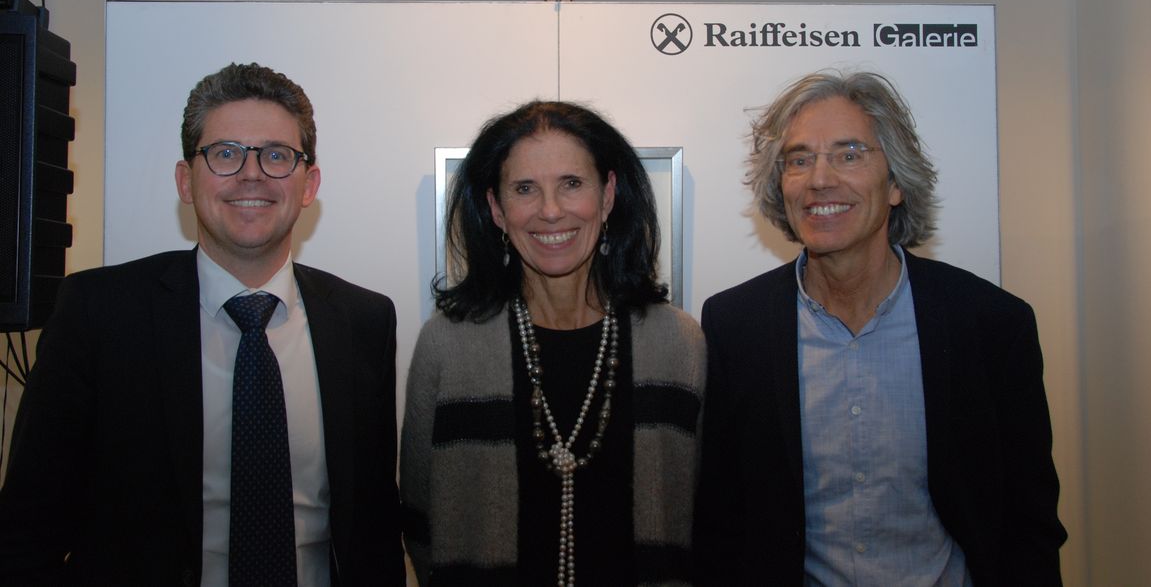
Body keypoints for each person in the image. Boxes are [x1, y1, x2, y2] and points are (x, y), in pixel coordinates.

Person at [0, 63, 402, 586]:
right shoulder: (97, 313)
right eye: (225, 154)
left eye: (277, 155)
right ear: (186, 181)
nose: (252, 173)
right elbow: (26, 533)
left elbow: (375, 529)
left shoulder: (364, 322)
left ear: (309, 185)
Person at [694, 71, 1067, 586]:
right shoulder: (735, 326)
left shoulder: (991, 325)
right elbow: (720, 523)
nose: (820, 179)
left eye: (849, 155)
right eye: (799, 160)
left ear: (895, 184)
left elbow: (1029, 525)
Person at [402, 101, 705, 586]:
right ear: (496, 209)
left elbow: (706, 518)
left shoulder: (678, 344)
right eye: (525, 189)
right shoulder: (446, 345)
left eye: (572, 183)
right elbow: (421, 520)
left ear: (608, 195)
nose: (550, 210)